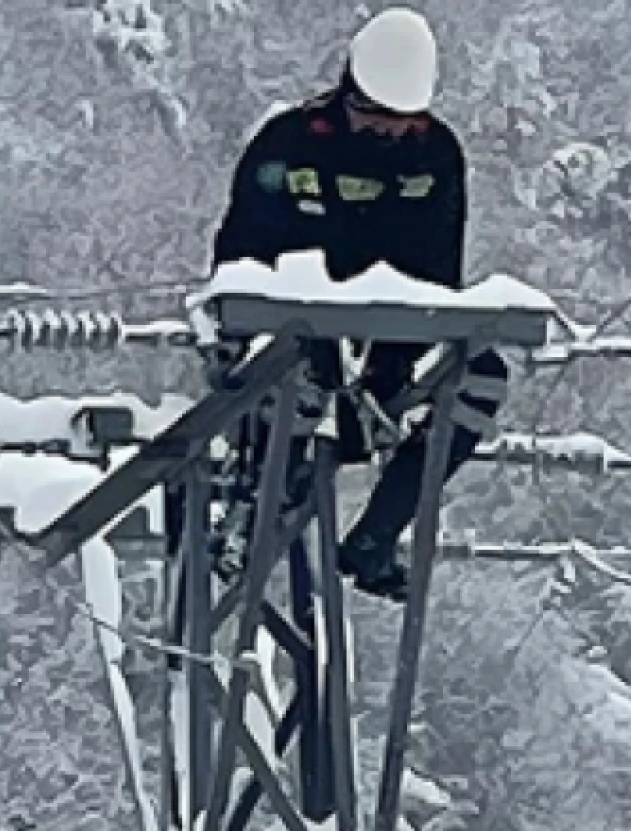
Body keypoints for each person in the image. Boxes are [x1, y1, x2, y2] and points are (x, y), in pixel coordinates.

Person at [207, 6, 509, 601]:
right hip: (289, 343)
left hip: (387, 343)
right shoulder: (289, 146)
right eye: (374, 118)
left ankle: (378, 532)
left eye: (404, 122)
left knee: (480, 380)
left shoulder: (437, 156)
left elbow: (435, 276)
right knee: (297, 376)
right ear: (349, 95)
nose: (390, 135)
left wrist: (391, 368)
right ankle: (259, 505)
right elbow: (239, 261)